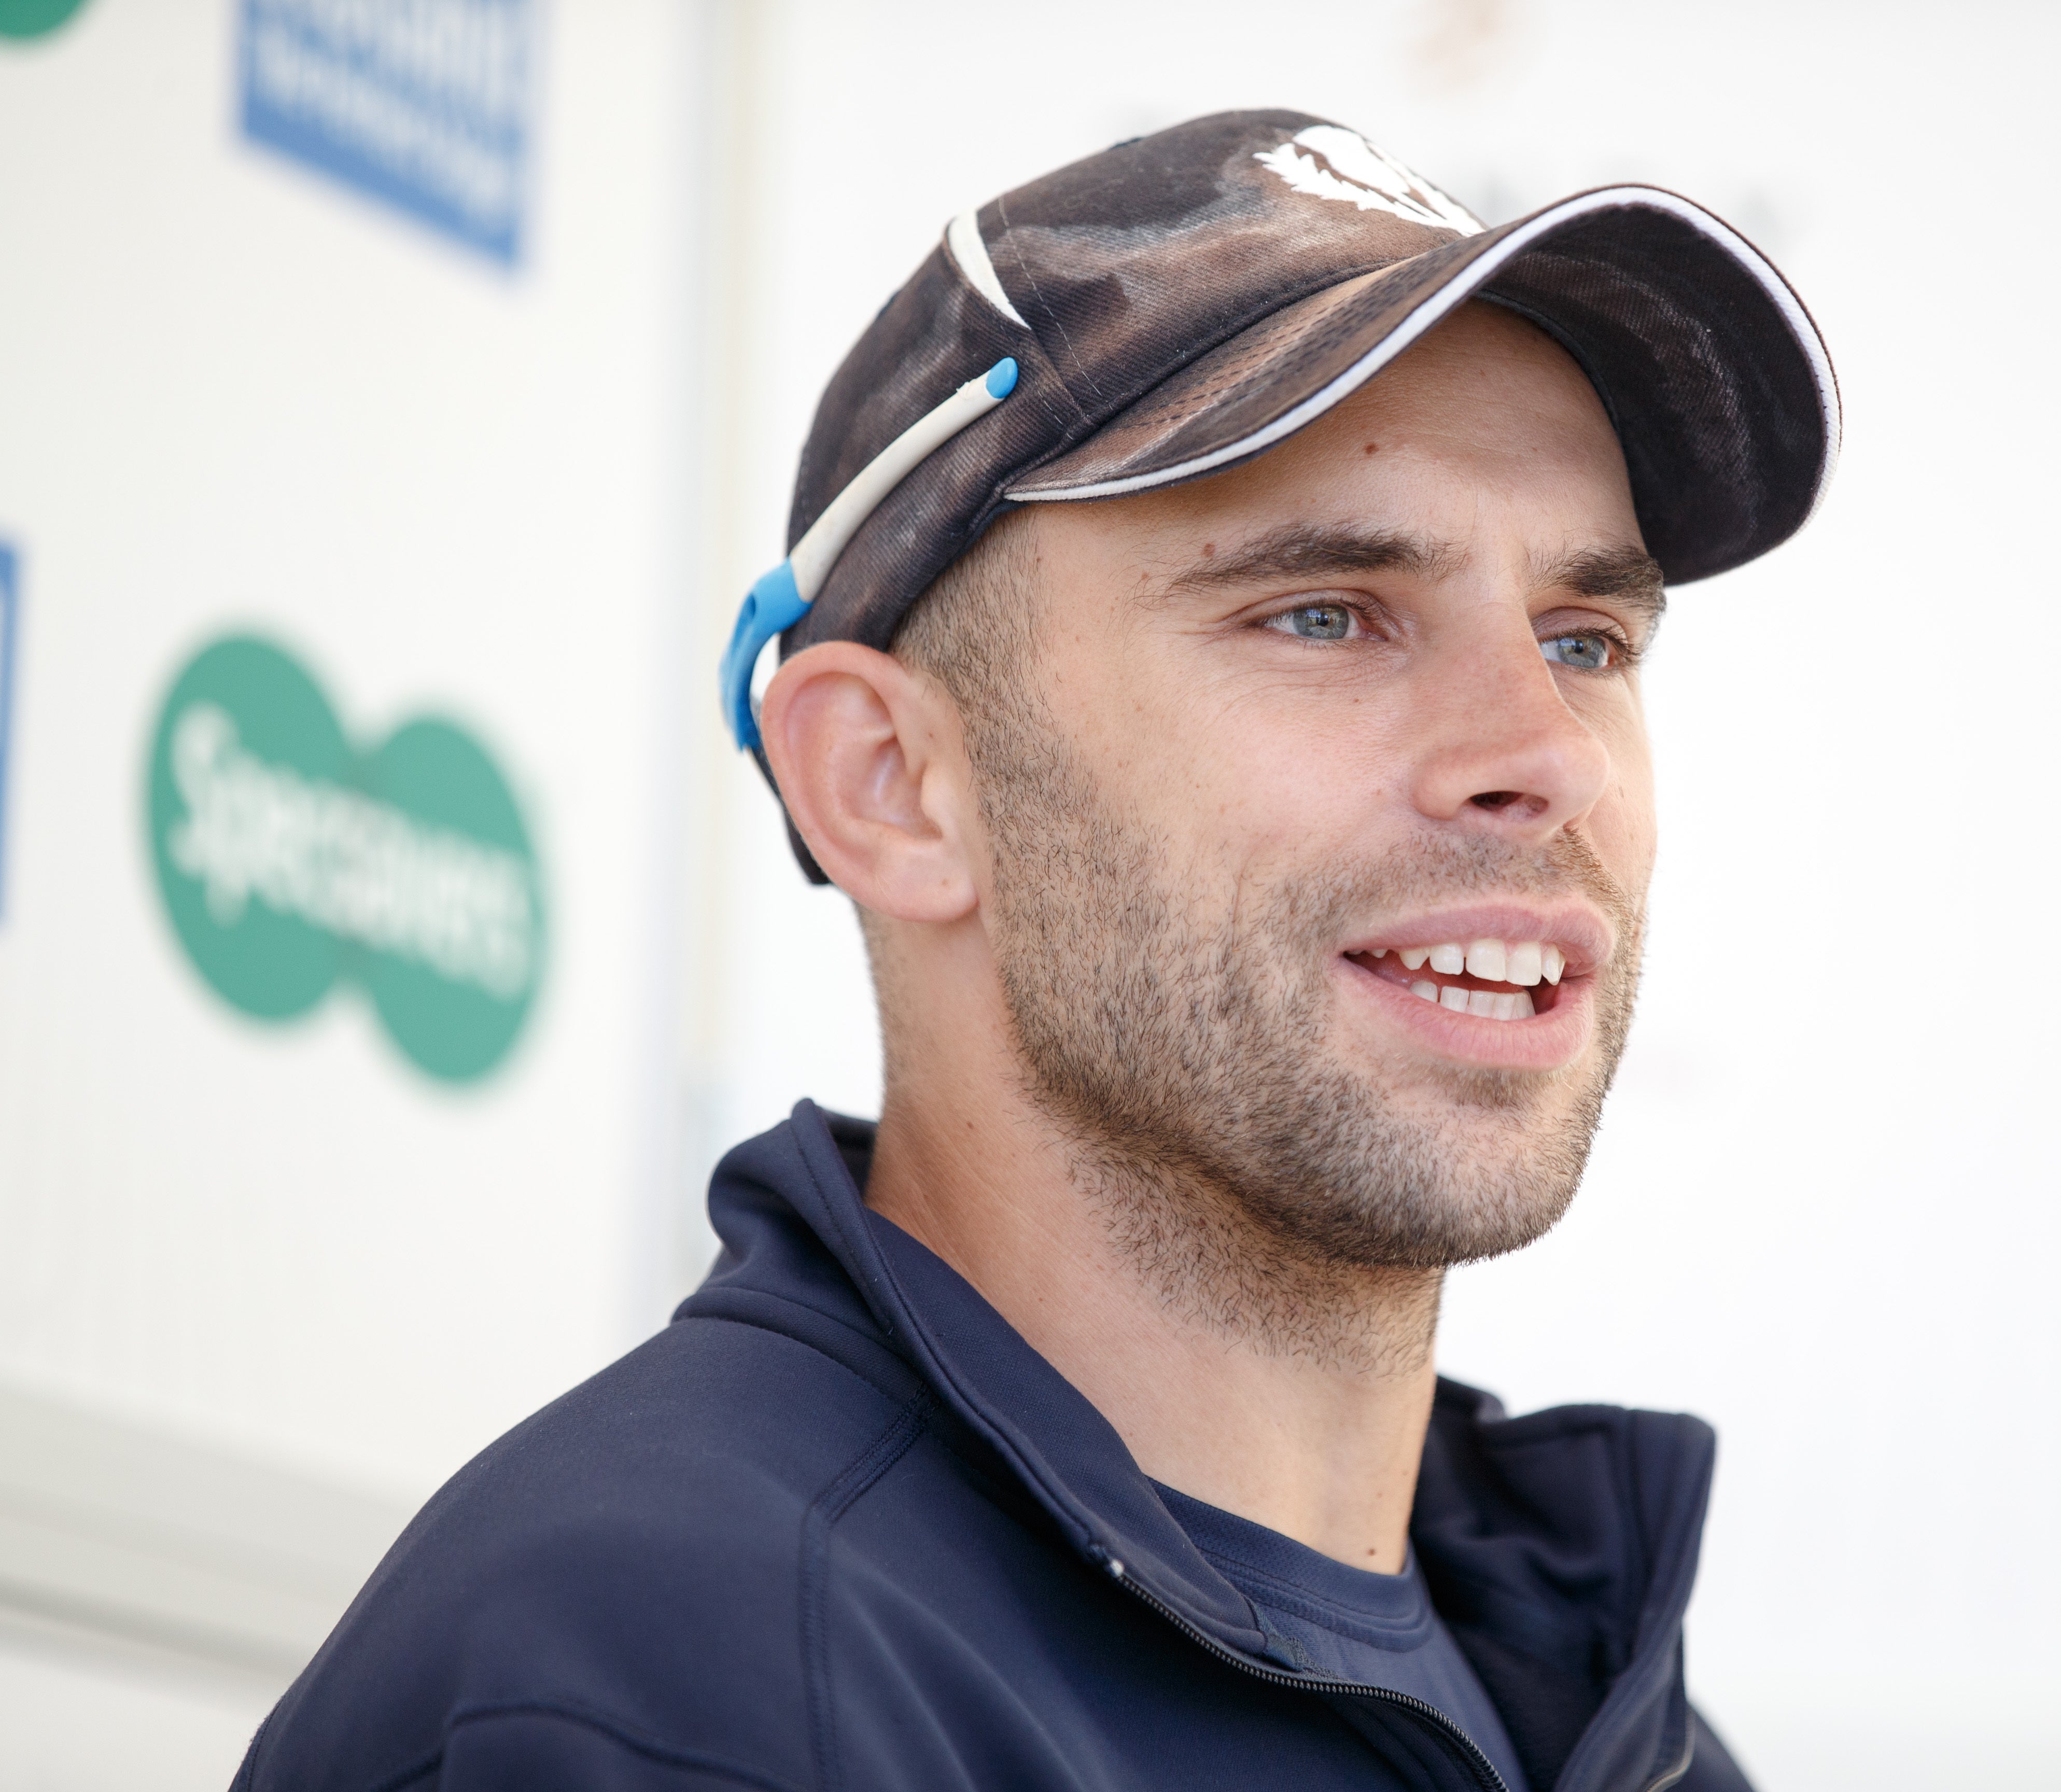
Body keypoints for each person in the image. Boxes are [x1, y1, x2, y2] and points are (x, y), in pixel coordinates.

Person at [235, 110, 1836, 1792]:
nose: (1549, 752)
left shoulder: (1596, 1714)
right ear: (892, 786)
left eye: (1586, 636)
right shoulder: (678, 1687)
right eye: (1325, 613)